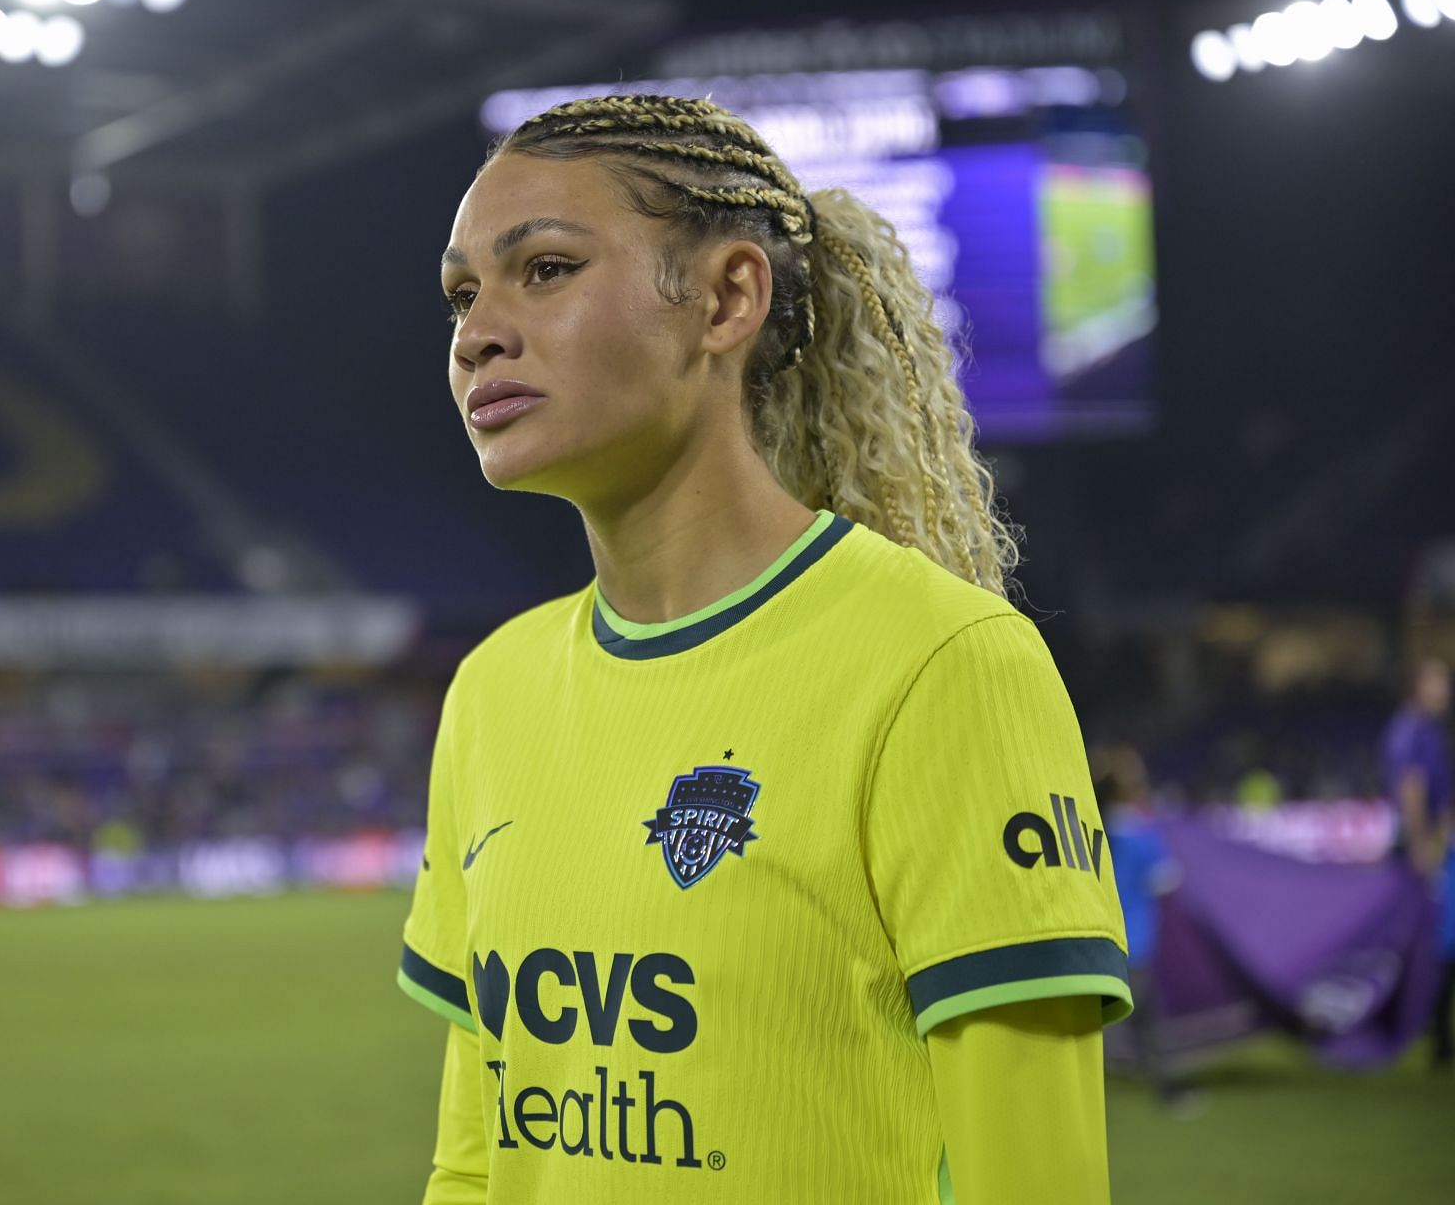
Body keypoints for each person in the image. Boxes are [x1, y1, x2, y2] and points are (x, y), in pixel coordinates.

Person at [397, 94, 1130, 1203]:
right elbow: (476, 1159)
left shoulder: (944, 663)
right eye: (462, 293)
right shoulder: (490, 691)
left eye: (543, 269)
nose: (476, 332)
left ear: (727, 297)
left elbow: (1035, 1183)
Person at [1090, 742, 1194, 1108]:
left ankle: (1091, 1097)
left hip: (1100, 942)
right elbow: (1168, 879)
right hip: (1137, 941)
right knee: (1145, 1025)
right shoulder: (1140, 834)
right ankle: (1166, 1092)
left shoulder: (1094, 826)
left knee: (1100, 1027)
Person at [1381, 656, 1453, 1069]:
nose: (1445, 687)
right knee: (1429, 939)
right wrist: (1423, 842)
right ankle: (1420, 1024)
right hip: (1417, 844)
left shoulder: (1426, 729)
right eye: (1437, 679)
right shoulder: (1413, 729)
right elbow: (1411, 787)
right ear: (1416, 685)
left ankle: (1431, 1027)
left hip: (1424, 841)